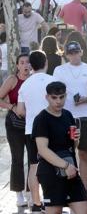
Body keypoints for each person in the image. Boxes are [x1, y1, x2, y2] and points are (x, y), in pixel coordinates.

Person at [32, 81, 87, 214]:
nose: (58, 101)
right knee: (55, 212)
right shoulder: (42, 119)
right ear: (47, 97)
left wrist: (76, 139)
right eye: (54, 98)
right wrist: (65, 165)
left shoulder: (67, 115)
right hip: (51, 172)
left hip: (70, 172)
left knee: (85, 211)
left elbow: (73, 146)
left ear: (66, 96)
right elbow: (42, 149)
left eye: (62, 97)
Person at [53, 40, 87, 192]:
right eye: (71, 53)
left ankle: (84, 191)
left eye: (76, 52)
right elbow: (53, 93)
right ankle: (65, 191)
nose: (74, 55)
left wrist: (86, 99)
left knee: (84, 154)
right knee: (64, 155)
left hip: (86, 118)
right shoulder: (59, 70)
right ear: (66, 54)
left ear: (81, 52)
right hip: (65, 118)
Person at [17, 51, 54, 211]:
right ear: (45, 62)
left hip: (31, 129)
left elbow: (20, 110)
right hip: (52, 129)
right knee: (52, 165)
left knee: (34, 166)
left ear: (31, 65)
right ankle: (51, 200)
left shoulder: (25, 84)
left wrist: (33, 114)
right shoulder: (53, 80)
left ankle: (36, 203)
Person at [0, 53, 29, 207]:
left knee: (34, 160)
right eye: (22, 62)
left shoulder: (34, 79)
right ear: (17, 65)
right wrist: (12, 106)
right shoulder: (12, 80)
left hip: (32, 125)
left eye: (28, 62)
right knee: (17, 159)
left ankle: (32, 193)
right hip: (14, 125)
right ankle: (19, 194)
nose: (25, 65)